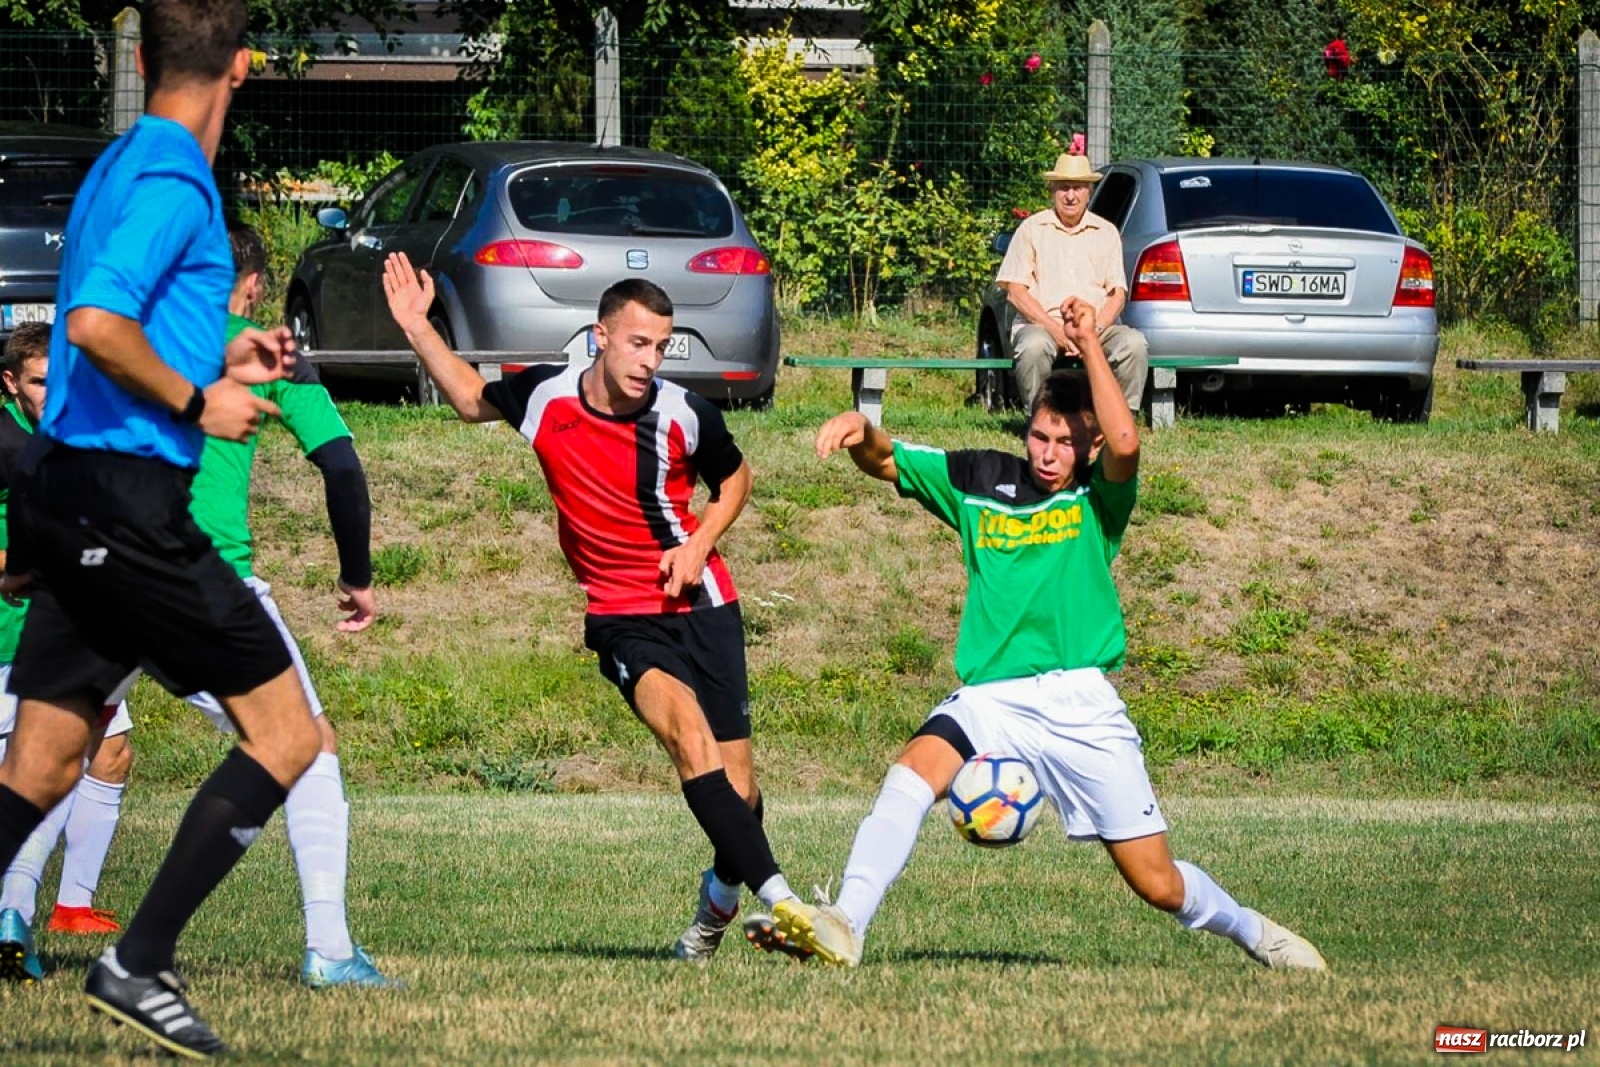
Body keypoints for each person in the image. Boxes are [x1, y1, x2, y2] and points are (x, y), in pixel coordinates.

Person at [743, 299, 1325, 972]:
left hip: (1081, 705)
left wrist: (1089, 344)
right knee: (910, 773)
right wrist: (860, 427)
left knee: (1156, 881)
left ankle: (1255, 931)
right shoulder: (978, 480)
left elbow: (1128, 443)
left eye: (1067, 441)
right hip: (992, 697)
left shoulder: (1097, 501)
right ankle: (847, 921)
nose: (1050, 453)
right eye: (1041, 436)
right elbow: (889, 463)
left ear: (1090, 447)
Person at [0, 1, 319, 1057]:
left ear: (139, 59)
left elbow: (117, 316)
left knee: (41, 766)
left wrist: (222, 360)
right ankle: (139, 959)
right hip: (128, 506)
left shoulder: (115, 162)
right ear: (241, 67)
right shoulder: (179, 175)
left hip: (69, 490)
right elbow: (92, 321)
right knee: (288, 735)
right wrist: (196, 402)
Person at [382, 253, 820, 962]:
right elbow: (468, 396)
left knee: (740, 794)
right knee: (687, 739)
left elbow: (737, 479)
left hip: (702, 603)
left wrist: (701, 540)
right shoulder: (546, 397)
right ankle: (791, 906)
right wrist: (416, 327)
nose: (651, 359)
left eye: (662, 345)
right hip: (621, 614)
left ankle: (715, 907)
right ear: (601, 337)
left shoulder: (684, 413)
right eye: (638, 342)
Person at [0, 226, 395, 989]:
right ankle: (331, 945)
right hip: (195, 575)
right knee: (307, 744)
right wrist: (357, 575)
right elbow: (342, 466)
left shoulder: (120, 345)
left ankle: (13, 913)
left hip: (94, 573)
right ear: (248, 286)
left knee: (48, 760)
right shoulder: (263, 344)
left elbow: (46, 454)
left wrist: (26, 565)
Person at [0, 324, 134, 980]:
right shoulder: (8, 443)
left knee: (104, 755)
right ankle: (13, 916)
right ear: (10, 383)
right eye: (38, 381)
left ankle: (61, 906)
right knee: (33, 780)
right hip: (13, 637)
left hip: (69, 631)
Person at [998, 152, 1149, 412]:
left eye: (1078, 188)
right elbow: (1015, 291)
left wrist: (1095, 331)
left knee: (1133, 344)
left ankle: (1121, 421)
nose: (1071, 196)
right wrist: (1055, 330)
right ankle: (1038, 420)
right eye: (1064, 187)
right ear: (1052, 190)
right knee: (1032, 347)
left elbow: (1117, 294)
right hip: (1043, 324)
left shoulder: (1107, 232)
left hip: (1096, 327)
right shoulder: (1032, 229)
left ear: (1089, 192)